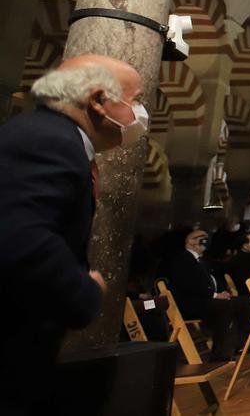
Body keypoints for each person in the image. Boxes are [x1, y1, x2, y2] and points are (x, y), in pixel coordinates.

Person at [0, 55, 145, 414]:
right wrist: (83, 289)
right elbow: (18, 238)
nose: (141, 114)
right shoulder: (49, 141)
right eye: (137, 100)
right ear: (97, 100)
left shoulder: (46, 135)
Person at [164, 229, 250, 360]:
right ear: (191, 242)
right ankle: (220, 354)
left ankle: (240, 345)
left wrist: (222, 292)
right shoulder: (182, 260)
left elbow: (213, 279)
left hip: (210, 299)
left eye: (206, 237)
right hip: (193, 302)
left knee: (245, 302)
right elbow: (189, 286)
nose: (205, 240)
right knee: (223, 306)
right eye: (201, 237)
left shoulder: (203, 260)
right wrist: (214, 295)